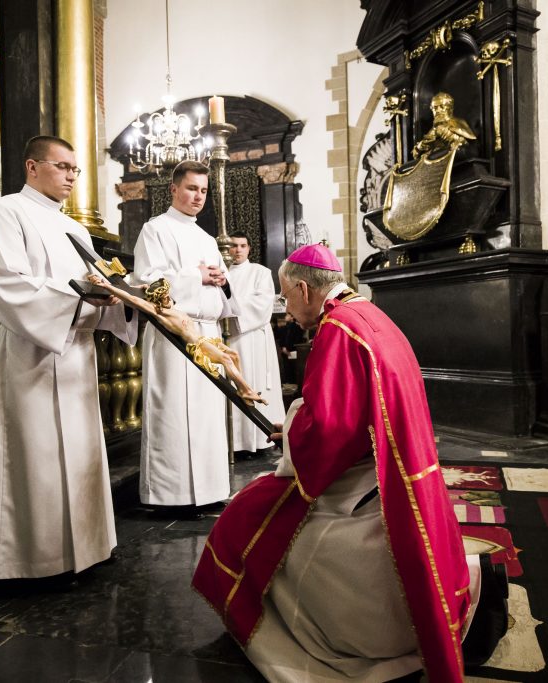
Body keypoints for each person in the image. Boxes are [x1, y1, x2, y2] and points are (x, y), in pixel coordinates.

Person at [193, 243, 508, 683]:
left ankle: (278, 625)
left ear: (304, 289)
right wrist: (297, 426)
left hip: (359, 473)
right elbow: (346, 410)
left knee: (248, 514)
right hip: (388, 465)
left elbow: (329, 431)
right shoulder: (366, 314)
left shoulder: (338, 329)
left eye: (286, 297)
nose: (287, 309)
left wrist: (294, 431)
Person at [0, 135, 136, 580]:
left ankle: (88, 548)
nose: (71, 176)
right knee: (37, 456)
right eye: (62, 166)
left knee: (81, 453)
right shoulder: (3, 212)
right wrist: (79, 299)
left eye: (75, 169)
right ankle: (36, 559)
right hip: (33, 352)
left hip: (77, 354)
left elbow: (96, 286)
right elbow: (5, 284)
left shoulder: (74, 229)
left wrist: (123, 298)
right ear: (32, 166)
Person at [133, 159, 235, 512]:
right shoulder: (155, 229)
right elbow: (146, 282)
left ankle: (210, 490)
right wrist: (197, 277)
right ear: (173, 188)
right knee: (173, 411)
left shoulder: (206, 238)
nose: (198, 196)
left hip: (207, 331)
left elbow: (222, 288)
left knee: (207, 415)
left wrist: (221, 280)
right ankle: (169, 495)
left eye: (204, 190)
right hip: (174, 330)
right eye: (192, 188)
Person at [86, 274, 266, 404]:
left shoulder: (173, 309)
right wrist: (109, 287)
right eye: (163, 296)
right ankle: (246, 391)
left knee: (233, 355)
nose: (167, 297)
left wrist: (146, 288)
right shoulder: (161, 313)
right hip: (197, 345)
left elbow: (143, 293)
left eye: (167, 294)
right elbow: (133, 299)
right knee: (226, 359)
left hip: (203, 339)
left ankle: (241, 387)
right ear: (157, 300)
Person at [225, 232, 286, 458]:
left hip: (254, 338)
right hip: (230, 339)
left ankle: (261, 439)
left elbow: (262, 304)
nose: (238, 250)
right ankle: (238, 442)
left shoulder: (260, 272)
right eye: (233, 246)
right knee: (234, 384)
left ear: (249, 248)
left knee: (255, 381)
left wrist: (229, 309)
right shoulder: (222, 274)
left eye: (242, 245)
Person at [413, 91, 476, 159]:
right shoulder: (436, 127)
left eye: (442, 106)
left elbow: (470, 141)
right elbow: (425, 144)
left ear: (450, 108)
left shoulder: (460, 122)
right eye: (435, 108)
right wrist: (419, 148)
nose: (438, 110)